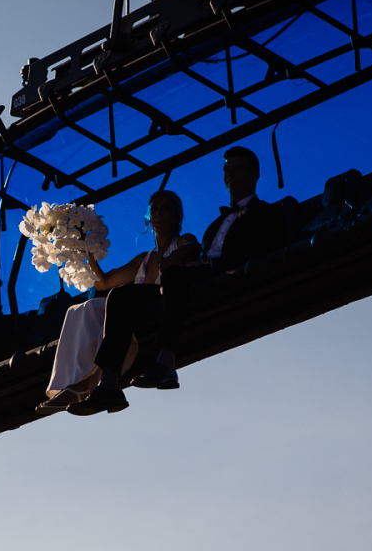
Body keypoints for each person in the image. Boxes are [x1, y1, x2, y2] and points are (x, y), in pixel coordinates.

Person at [75, 146, 292, 413]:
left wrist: (188, 261)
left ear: (255, 174)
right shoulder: (215, 225)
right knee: (119, 295)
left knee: (174, 275)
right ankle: (108, 385)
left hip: (217, 274)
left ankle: (166, 363)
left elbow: (263, 247)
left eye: (238, 169)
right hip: (188, 278)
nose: (231, 175)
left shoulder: (266, 213)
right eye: (227, 170)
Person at [36, 190, 195, 415]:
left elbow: (194, 249)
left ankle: (89, 385)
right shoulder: (144, 258)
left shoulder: (183, 242)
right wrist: (85, 250)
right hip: (132, 304)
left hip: (157, 301)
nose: (159, 213)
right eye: (155, 209)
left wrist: (175, 259)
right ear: (149, 217)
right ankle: (75, 382)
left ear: (178, 216)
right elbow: (104, 283)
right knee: (76, 310)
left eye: (166, 208)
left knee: (107, 302)